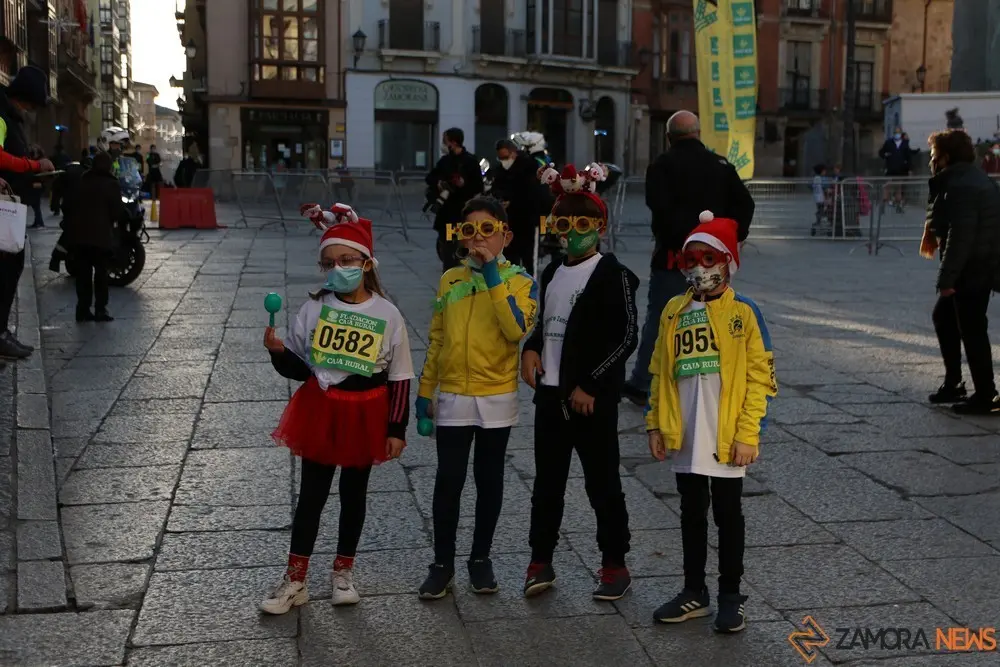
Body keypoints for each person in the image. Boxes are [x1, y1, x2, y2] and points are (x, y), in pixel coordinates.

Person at [259, 207, 415, 614]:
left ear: (366, 263)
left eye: (347, 260)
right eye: (329, 263)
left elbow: (400, 375)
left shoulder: (387, 313)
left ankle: (343, 572)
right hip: (322, 408)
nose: (338, 268)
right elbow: (300, 364)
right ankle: (295, 578)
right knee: (312, 494)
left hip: (366, 411)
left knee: (354, 493)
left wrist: (397, 427)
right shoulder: (312, 308)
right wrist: (278, 353)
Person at [646, 211, 777, 633]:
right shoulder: (673, 310)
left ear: (726, 262)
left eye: (708, 258)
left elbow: (761, 377)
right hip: (685, 430)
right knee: (690, 511)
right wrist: (654, 423)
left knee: (727, 513)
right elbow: (659, 371)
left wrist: (748, 433)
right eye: (691, 259)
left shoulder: (745, 312)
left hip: (725, 433)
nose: (699, 268)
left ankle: (730, 596)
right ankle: (693, 591)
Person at [520, 163, 639, 601]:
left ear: (600, 226)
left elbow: (626, 336)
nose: (572, 231)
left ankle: (614, 563)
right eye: (563, 223)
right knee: (547, 484)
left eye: (582, 223)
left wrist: (591, 383)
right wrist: (531, 347)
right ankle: (540, 560)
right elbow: (543, 321)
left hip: (590, 398)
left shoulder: (614, 274)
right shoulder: (551, 272)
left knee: (602, 482)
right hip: (551, 397)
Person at [415, 196, 538, 599]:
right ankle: (442, 563)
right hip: (453, 393)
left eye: (488, 230)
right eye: (470, 231)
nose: (479, 238)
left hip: (496, 394)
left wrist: (491, 275)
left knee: (489, 480)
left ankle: (480, 559)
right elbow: (437, 337)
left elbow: (514, 330)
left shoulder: (520, 281)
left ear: (506, 235)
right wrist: (424, 389)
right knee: (448, 480)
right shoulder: (450, 279)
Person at [623, 110, 754, 406]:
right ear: (698, 133)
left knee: (661, 318)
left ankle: (644, 382)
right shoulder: (720, 164)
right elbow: (745, 203)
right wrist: (733, 237)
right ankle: (713, 382)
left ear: (669, 137)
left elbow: (657, 206)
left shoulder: (661, 165)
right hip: (713, 259)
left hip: (673, 257)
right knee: (714, 316)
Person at [921, 129, 1000, 415]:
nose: (932, 160)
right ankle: (955, 382)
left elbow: (960, 235)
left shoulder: (962, 186)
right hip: (980, 262)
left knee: (972, 328)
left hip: (974, 266)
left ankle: (986, 394)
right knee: (945, 317)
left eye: (934, 155)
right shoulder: (971, 179)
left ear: (946, 156)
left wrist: (947, 279)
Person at [0, 65, 56, 360]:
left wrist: (27, 153)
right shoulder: (1, 112)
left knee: (12, 266)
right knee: (7, 268)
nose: (33, 109)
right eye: (32, 103)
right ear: (24, 98)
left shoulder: (10, 115)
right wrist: (33, 166)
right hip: (3, 207)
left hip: (11, 204)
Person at [62, 151, 119, 322]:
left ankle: (83, 309)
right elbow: (117, 212)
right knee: (101, 275)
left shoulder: (83, 180)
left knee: (83, 276)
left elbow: (69, 205)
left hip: (80, 237)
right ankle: (100, 309)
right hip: (101, 238)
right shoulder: (111, 184)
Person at [426, 128, 484, 272]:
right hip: (446, 213)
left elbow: (478, 186)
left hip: (463, 213)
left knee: (463, 248)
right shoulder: (445, 161)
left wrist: (464, 185)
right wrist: (439, 183)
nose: (443, 144)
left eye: (445, 140)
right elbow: (430, 178)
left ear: (453, 142)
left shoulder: (470, 161)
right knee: (448, 249)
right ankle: (449, 276)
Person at [490, 138, 546, 276]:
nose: (503, 160)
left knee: (528, 259)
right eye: (500, 157)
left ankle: (529, 289)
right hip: (508, 222)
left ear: (513, 153)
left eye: (505, 157)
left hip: (527, 220)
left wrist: (512, 201)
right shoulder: (500, 170)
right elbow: (496, 188)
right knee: (509, 258)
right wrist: (500, 200)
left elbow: (532, 193)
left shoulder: (529, 166)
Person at [879, 127, 912, 212]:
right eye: (895, 133)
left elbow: (908, 156)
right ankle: (883, 204)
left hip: (900, 169)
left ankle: (898, 206)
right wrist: (885, 155)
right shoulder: (889, 142)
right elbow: (881, 152)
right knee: (887, 186)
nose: (897, 134)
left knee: (898, 187)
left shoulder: (905, 143)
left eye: (898, 133)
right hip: (890, 168)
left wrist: (909, 168)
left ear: (901, 134)